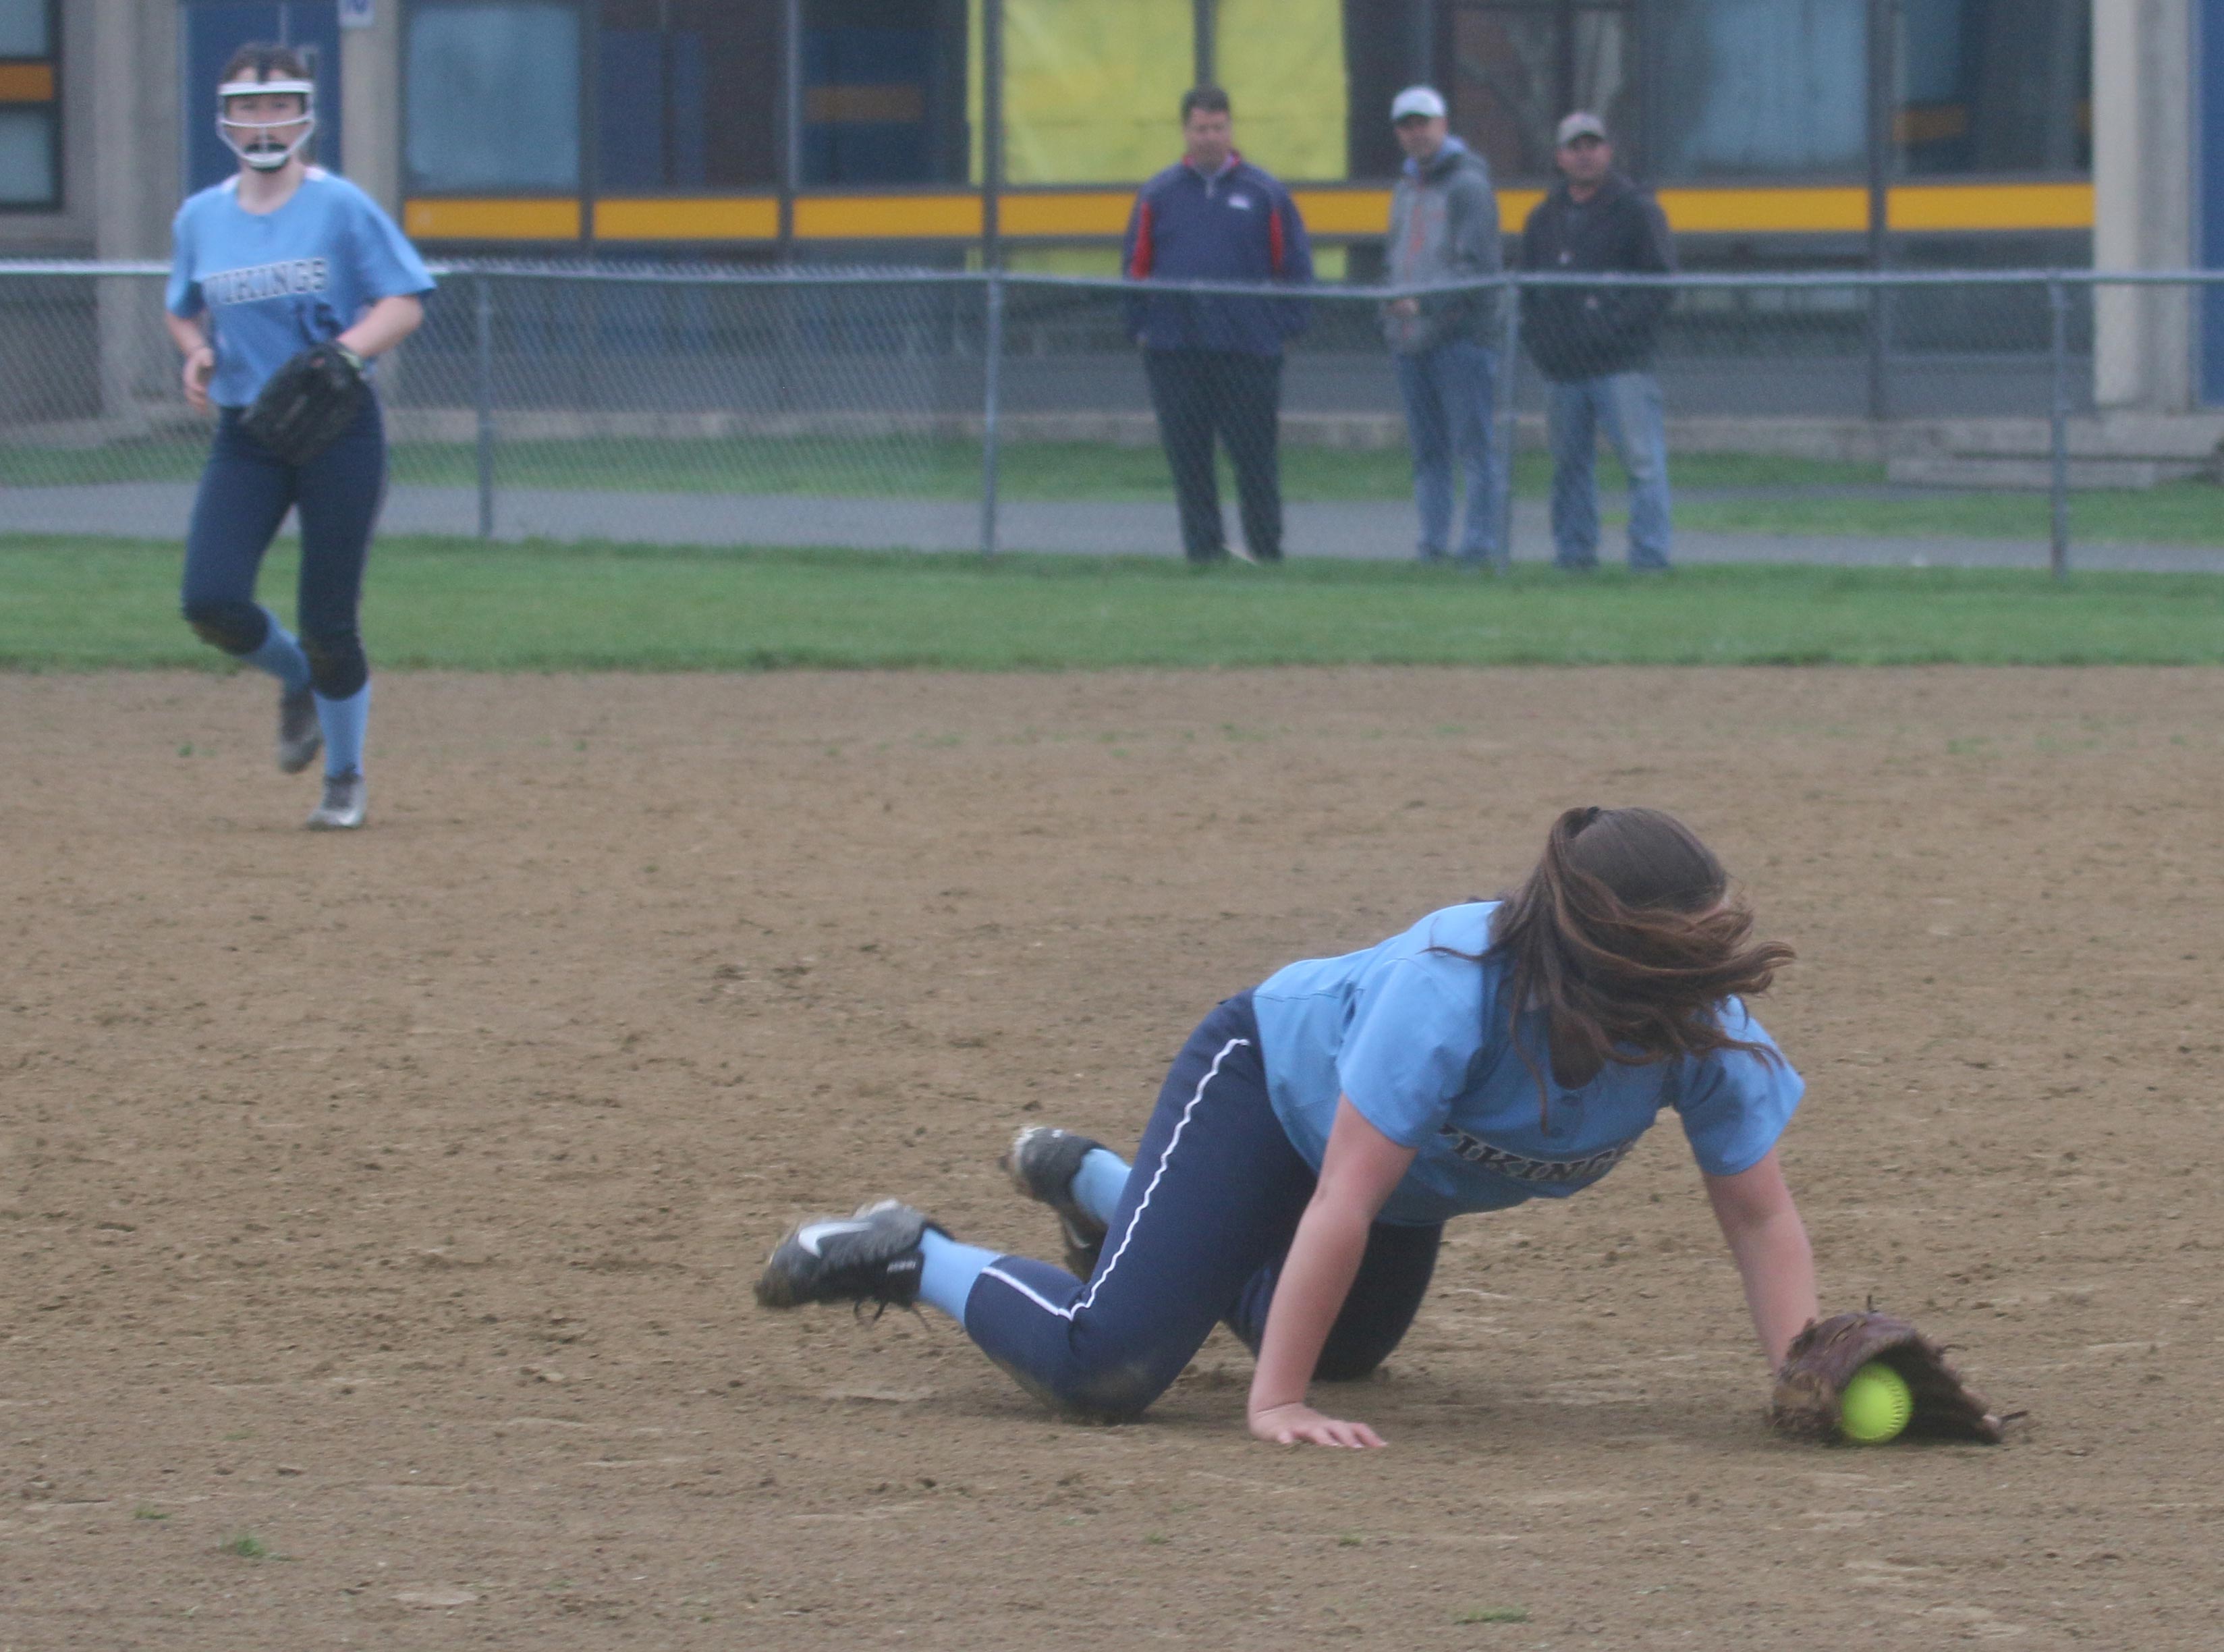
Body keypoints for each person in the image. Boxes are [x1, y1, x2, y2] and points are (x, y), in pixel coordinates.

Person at [757, 806, 1817, 1450]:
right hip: (1270, 1089)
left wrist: (1803, 1379)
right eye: (1688, 946)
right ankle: (913, 1253)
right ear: (1608, 948)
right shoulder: (1452, 993)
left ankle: (1109, 1192)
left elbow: (1760, 1219)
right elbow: (1344, 1197)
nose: (1713, 968)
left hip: (1394, 1185)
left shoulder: (1699, 1026)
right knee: (1107, 1367)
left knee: (1343, 1351)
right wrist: (1274, 1405)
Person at [164, 44, 433, 829]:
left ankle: (344, 778)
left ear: (304, 114)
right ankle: (296, 680)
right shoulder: (200, 216)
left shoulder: (339, 205)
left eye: (279, 104)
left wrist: (346, 352)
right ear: (225, 118)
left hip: (337, 429)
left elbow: (404, 302)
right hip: (248, 432)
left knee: (329, 622)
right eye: (249, 106)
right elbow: (183, 309)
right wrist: (197, 350)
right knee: (210, 600)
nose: (264, 121)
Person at [1121, 86, 1314, 565]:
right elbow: (1136, 268)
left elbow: (1293, 267)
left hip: (1248, 351)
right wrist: (1141, 329)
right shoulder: (1158, 194)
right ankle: (1205, 553)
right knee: (1189, 460)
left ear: (1231, 129)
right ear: (1185, 132)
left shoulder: (1265, 193)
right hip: (1176, 350)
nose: (1209, 137)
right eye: (1200, 129)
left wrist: (1284, 328)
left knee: (1255, 459)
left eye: (1218, 128)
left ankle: (1265, 552)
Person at [1518, 113, 1676, 572]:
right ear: (1559, 157)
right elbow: (1527, 289)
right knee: (1569, 467)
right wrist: (1542, 342)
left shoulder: (1637, 211)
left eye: (1593, 145)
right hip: (1563, 368)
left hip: (1621, 366)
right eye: (1575, 147)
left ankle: (1649, 558)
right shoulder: (1543, 218)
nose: (1584, 154)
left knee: (1642, 465)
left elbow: (1661, 284)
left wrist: (1615, 329)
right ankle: (1574, 556)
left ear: (1608, 151)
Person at [1383, 85, 1504, 565]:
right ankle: (1432, 546)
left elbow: (1479, 270)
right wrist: (1391, 306)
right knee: (1427, 453)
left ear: (1444, 125)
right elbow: (1394, 256)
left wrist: (1425, 304)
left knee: (1474, 450)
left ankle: (1479, 546)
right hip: (1411, 340)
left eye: (1424, 123)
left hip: (1462, 339)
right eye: (1407, 125)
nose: (1416, 133)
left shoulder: (1468, 185)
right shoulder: (1403, 188)